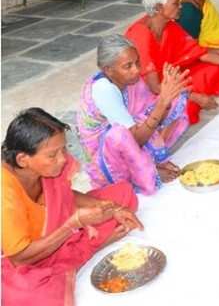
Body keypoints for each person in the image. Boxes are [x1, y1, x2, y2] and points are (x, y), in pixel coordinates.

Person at [2, 108, 143, 306]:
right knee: (33, 296)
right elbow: (20, 258)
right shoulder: (4, 192)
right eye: (52, 155)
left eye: (64, 149)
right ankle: (83, 252)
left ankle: (77, 253)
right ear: (23, 160)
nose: (62, 159)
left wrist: (111, 209)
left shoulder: (48, 167)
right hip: (31, 258)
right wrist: (73, 224)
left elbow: (64, 196)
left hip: (62, 232)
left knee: (123, 195)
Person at [125, 0, 219, 124]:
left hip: (170, 78)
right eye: (175, 3)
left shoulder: (170, 26)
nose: (180, 6)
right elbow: (154, 87)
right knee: (184, 108)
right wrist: (195, 97)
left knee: (212, 69)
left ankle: (188, 96)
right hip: (148, 89)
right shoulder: (141, 34)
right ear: (158, 8)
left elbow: (199, 53)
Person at [77, 35, 191, 195]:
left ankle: (152, 160)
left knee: (176, 98)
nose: (136, 70)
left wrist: (167, 98)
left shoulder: (130, 80)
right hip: (106, 153)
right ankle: (144, 173)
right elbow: (133, 139)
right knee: (120, 135)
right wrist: (162, 103)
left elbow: (147, 108)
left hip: (131, 132)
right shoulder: (104, 90)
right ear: (108, 69)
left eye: (137, 62)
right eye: (128, 66)